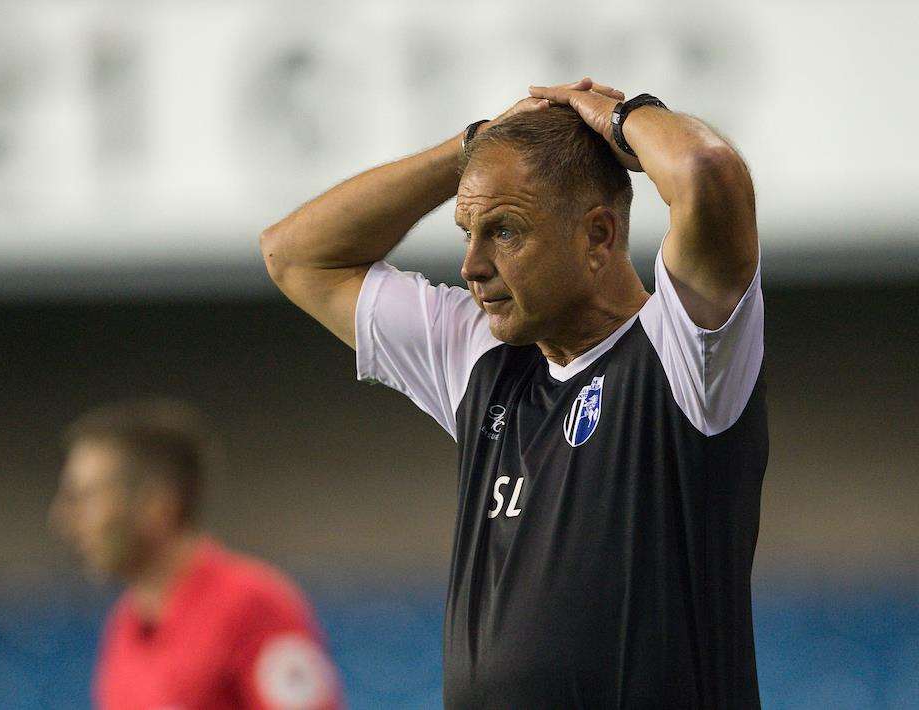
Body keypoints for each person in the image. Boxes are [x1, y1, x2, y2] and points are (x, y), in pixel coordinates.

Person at [260, 76, 765, 708]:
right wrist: (475, 145)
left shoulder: (687, 351)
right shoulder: (485, 360)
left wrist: (617, 117)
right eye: (467, 230)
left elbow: (707, 169)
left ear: (599, 237)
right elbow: (295, 256)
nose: (471, 265)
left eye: (504, 231)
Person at [49, 399, 343, 710]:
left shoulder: (252, 609)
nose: (63, 518)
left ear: (156, 503)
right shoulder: (124, 626)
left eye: (87, 497)